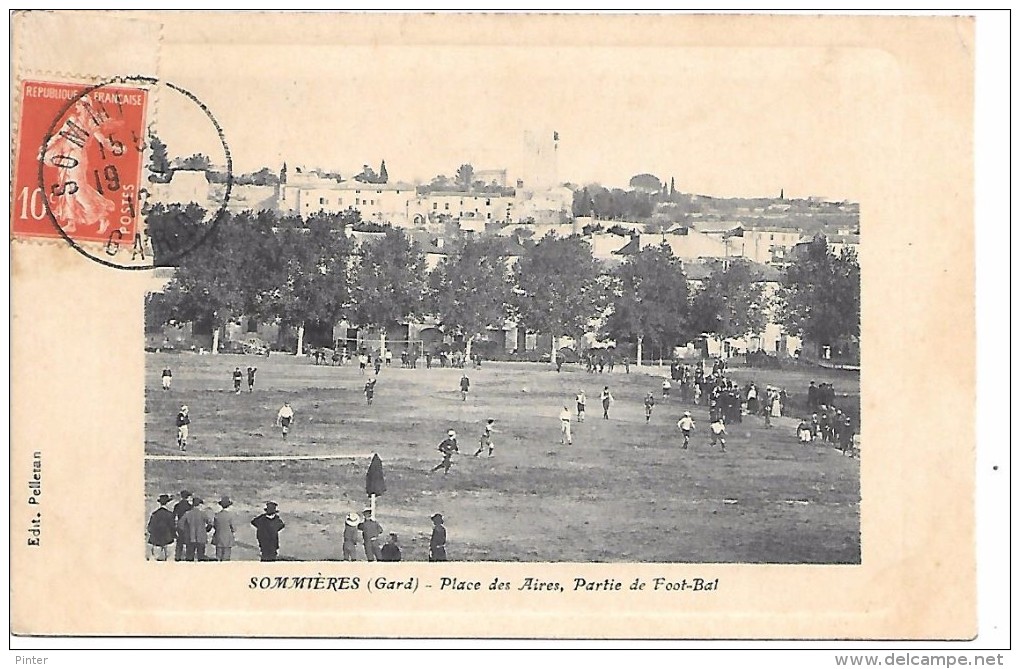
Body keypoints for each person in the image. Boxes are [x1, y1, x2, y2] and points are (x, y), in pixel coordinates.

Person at [179, 497, 211, 561]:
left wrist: (185, 531)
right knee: (201, 556)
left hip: (190, 537)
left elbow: (180, 524)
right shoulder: (203, 514)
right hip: (201, 537)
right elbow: (210, 523)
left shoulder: (188, 513)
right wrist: (206, 530)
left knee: (189, 557)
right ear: (199, 505)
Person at [146, 494, 176, 561]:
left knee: (154, 559)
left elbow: (150, 528)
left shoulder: (155, 514)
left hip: (156, 539)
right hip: (168, 539)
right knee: (170, 559)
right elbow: (172, 527)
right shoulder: (170, 514)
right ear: (167, 503)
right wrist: (174, 536)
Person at [212, 496, 236, 561]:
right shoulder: (230, 515)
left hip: (218, 536)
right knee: (226, 557)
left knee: (218, 556)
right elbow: (233, 528)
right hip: (227, 538)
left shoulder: (217, 515)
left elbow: (215, 526)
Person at [172, 489, 193, 561]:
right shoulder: (190, 506)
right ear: (188, 497)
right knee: (188, 543)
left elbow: (173, 516)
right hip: (187, 526)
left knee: (179, 543)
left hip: (179, 526)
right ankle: (188, 558)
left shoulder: (177, 505)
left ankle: (177, 557)